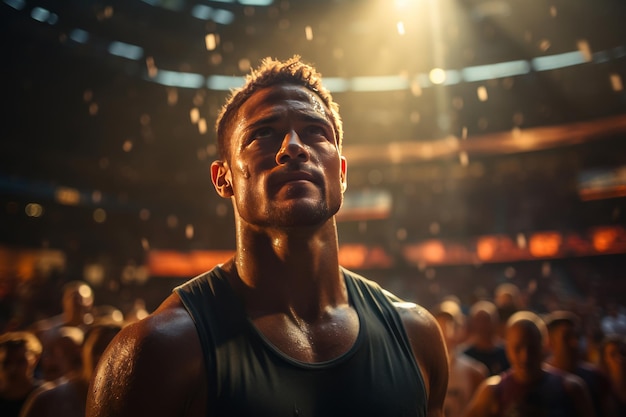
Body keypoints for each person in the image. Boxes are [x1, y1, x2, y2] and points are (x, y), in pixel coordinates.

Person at [86, 56, 448, 417]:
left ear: (340, 172)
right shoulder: (159, 350)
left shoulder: (417, 334)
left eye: (315, 132)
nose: (293, 146)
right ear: (222, 178)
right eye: (263, 133)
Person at [463, 311, 596, 417]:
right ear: (507, 349)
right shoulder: (493, 391)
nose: (525, 357)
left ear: (543, 346)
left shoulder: (571, 389)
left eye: (532, 348)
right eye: (518, 348)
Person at [19, 322, 123, 417]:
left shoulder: (130, 400)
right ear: (82, 352)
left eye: (112, 351)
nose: (102, 357)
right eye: (97, 350)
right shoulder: (47, 400)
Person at [544, 310, 612, 417]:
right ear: (550, 342)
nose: (575, 342)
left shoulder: (596, 378)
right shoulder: (540, 380)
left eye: (577, 336)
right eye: (566, 337)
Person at [432, 300, 488, 417]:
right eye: (440, 324)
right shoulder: (423, 370)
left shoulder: (475, 373)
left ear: (460, 329)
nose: (445, 331)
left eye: (450, 324)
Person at [0, 332, 42, 417]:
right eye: (7, 363)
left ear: (35, 360)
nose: (13, 369)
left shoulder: (44, 396)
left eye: (20, 362)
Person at [462, 300, 509, 376]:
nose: (482, 325)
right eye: (478, 320)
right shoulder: (465, 355)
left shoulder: (506, 352)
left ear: (495, 322)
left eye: (486, 320)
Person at [599, 334, 626, 417]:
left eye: (623, 353)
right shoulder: (601, 392)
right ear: (604, 361)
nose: (620, 359)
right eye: (613, 355)